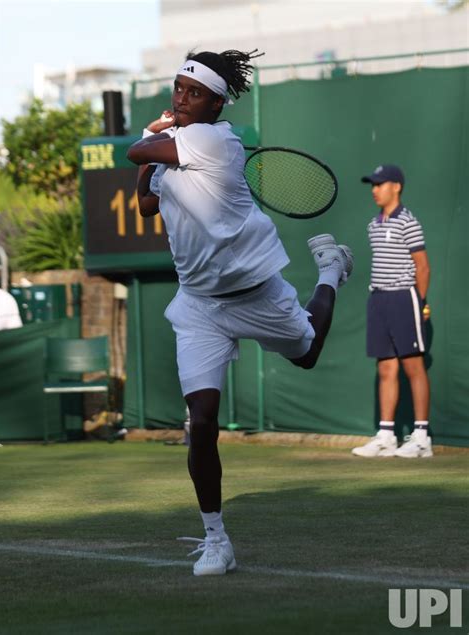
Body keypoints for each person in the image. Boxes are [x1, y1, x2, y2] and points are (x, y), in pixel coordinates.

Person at [127, 48, 353, 576]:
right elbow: (145, 201)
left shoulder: (212, 140)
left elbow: (139, 153)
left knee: (308, 352)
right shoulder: (178, 146)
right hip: (200, 306)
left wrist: (149, 136)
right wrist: (153, 152)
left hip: (254, 292)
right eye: (178, 88)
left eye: (194, 94)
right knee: (201, 421)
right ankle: (216, 541)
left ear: (215, 105)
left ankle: (329, 270)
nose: (181, 99)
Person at [352, 164, 432, 460]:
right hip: (379, 299)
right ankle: (386, 436)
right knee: (385, 367)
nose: (374, 190)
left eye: (380, 184)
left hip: (404, 298)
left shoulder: (408, 222)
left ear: (396, 186)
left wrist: (420, 302)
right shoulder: (374, 224)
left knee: (413, 366)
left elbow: (422, 266)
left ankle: (422, 438)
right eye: (372, 185)